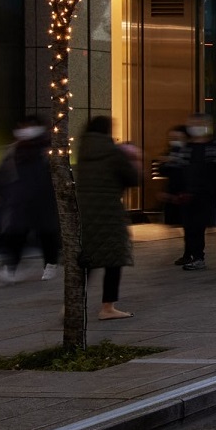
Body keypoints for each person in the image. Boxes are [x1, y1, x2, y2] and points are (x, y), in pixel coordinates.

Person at [75, 116, 140, 318]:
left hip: (84, 211)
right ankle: (107, 307)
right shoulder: (113, 153)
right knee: (113, 258)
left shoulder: (82, 152)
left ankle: (72, 303)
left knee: (88, 257)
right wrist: (134, 159)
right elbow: (132, 178)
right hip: (109, 212)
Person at [0, 116, 60, 285]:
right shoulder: (13, 150)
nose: (24, 129)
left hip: (43, 200)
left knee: (47, 235)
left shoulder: (48, 150)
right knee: (16, 235)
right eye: (21, 126)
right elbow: (2, 174)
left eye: (28, 126)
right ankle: (10, 268)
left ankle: (50, 264)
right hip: (19, 201)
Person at [164, 114, 216, 271]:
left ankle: (198, 256)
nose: (196, 126)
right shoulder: (184, 147)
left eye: (200, 123)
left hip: (207, 194)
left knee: (198, 225)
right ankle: (194, 255)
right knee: (189, 226)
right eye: (193, 123)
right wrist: (175, 191)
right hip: (187, 194)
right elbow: (174, 170)